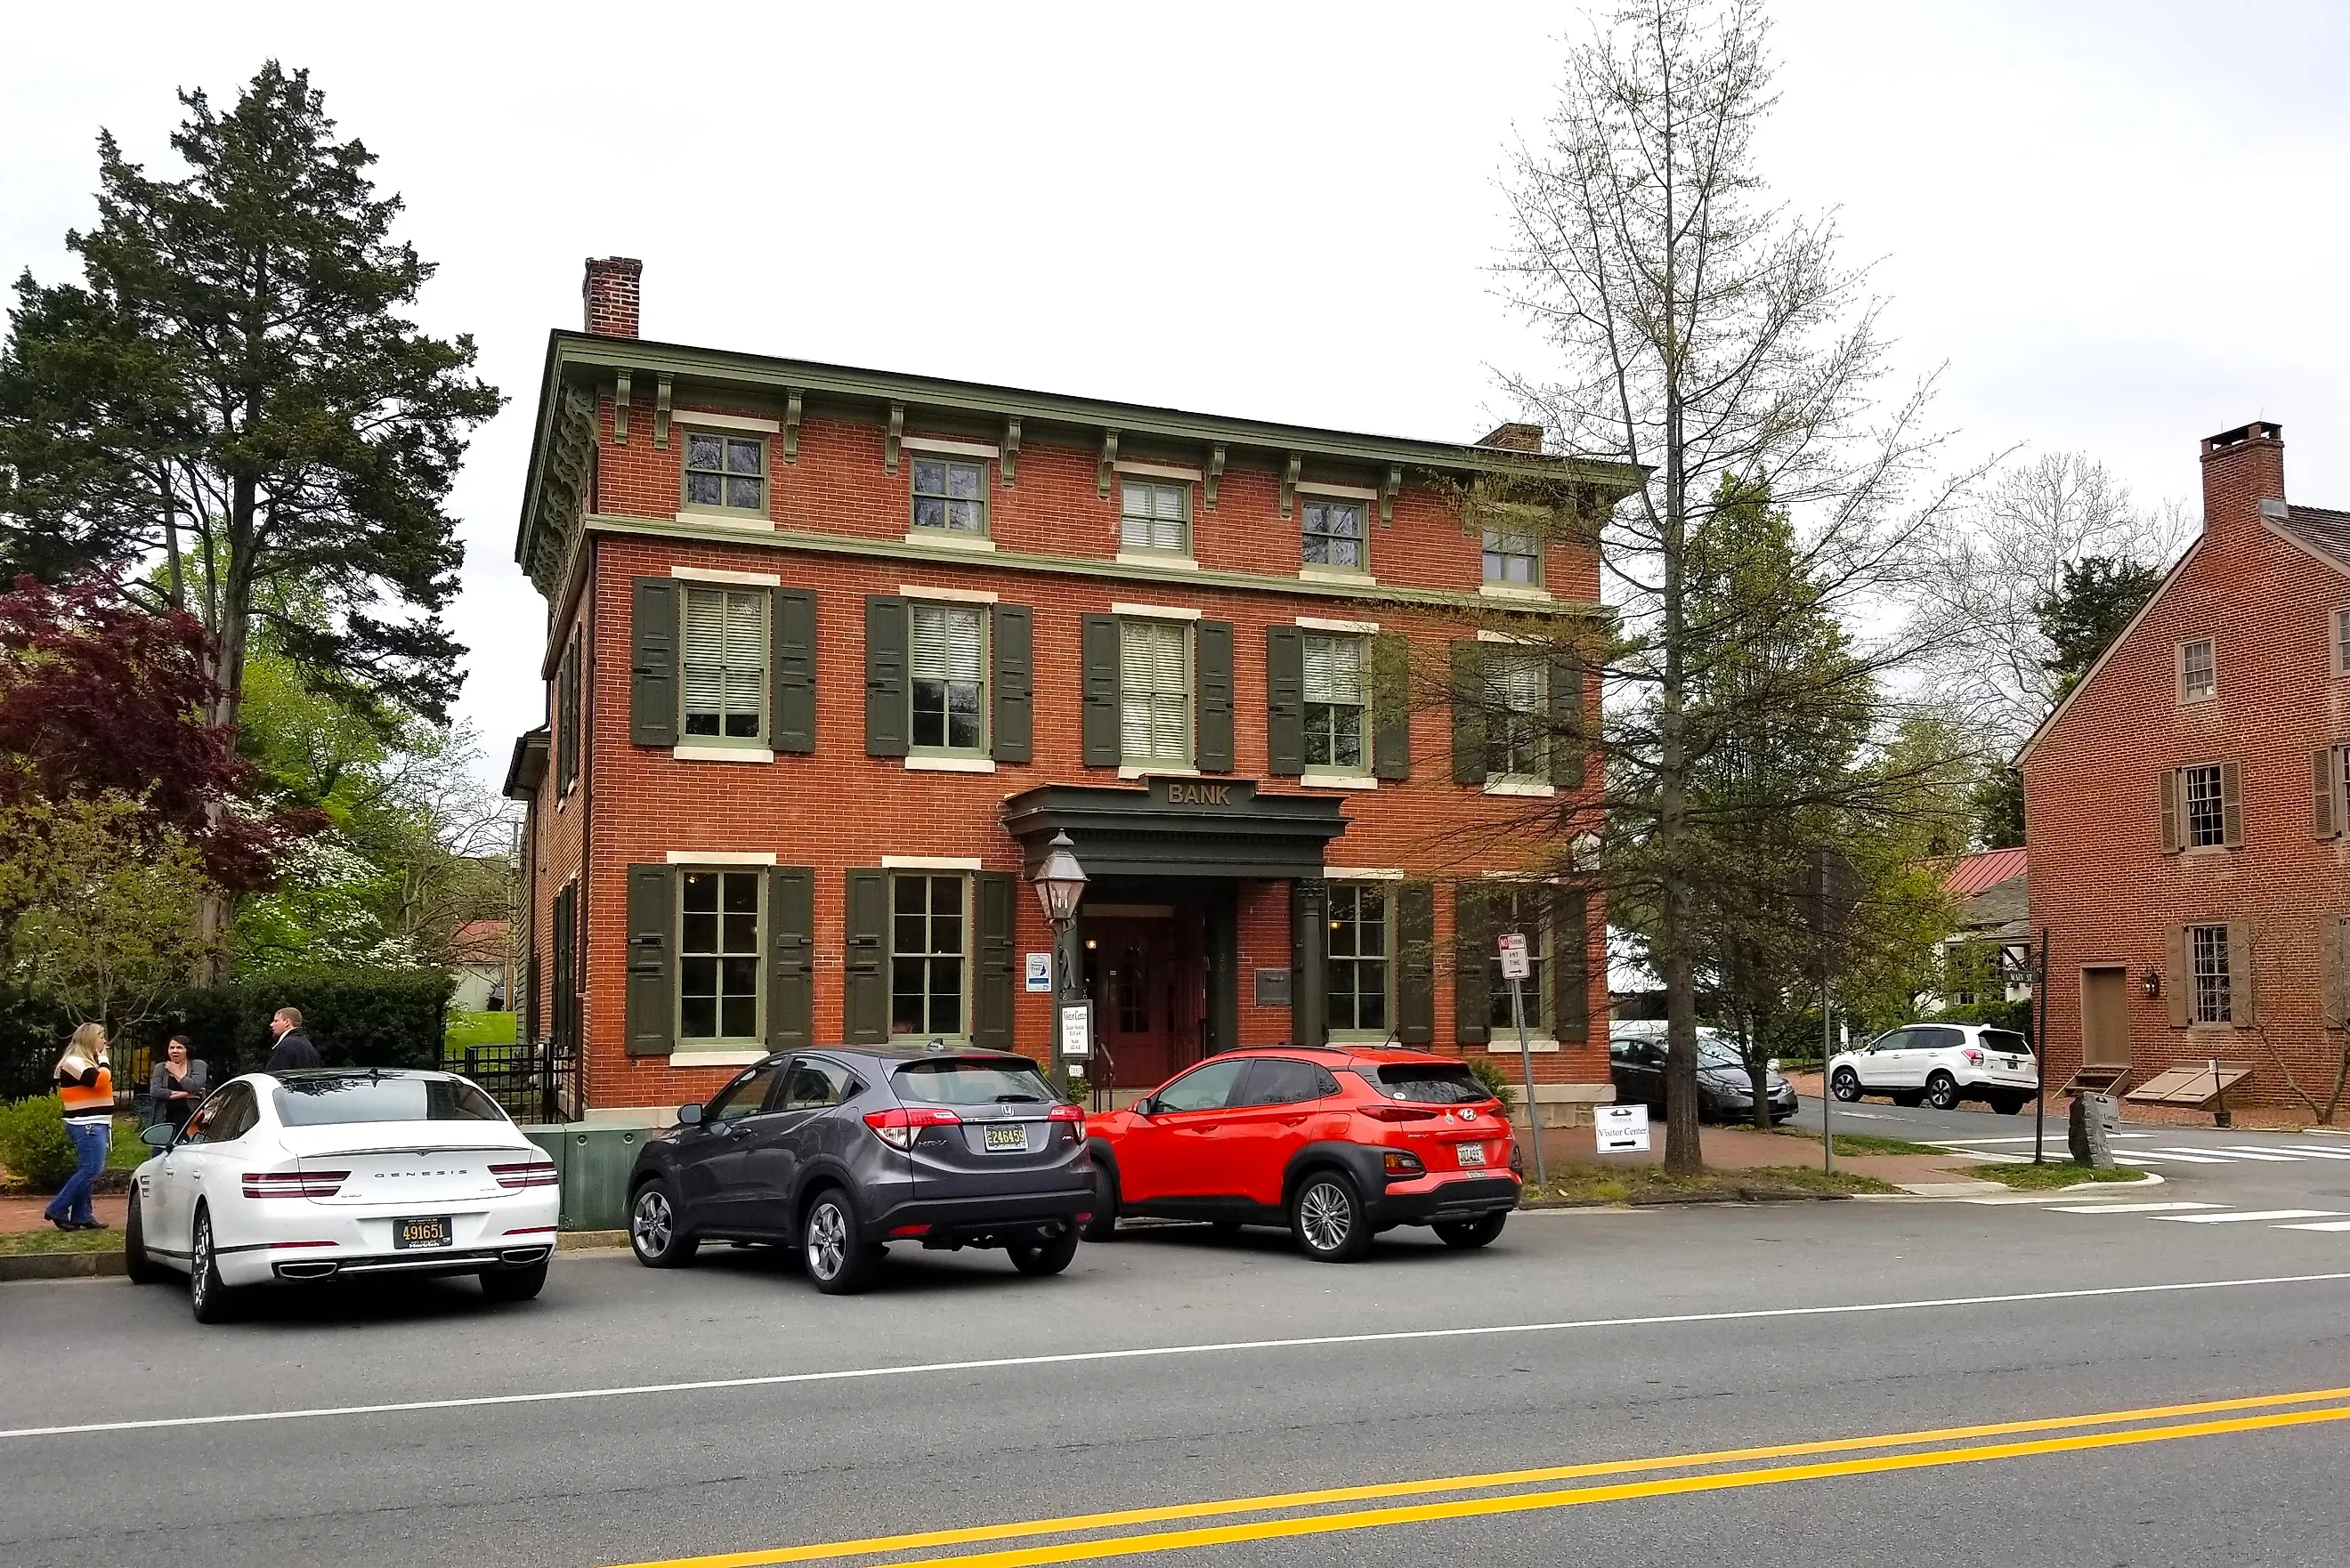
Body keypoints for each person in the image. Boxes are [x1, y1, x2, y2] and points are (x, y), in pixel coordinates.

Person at [44, 1022, 114, 1232]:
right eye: (101, 1037)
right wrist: (103, 1059)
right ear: (90, 1039)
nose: (104, 1041)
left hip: (95, 1122)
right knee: (91, 1169)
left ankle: (82, 1215)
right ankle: (57, 1209)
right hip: (86, 1124)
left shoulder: (86, 1062)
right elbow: (100, 1082)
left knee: (89, 1169)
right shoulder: (73, 1062)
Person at [149, 1034, 208, 1135]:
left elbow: (194, 1086)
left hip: (192, 1118)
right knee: (160, 1150)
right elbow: (155, 1091)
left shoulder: (198, 1065)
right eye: (172, 1047)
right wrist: (185, 1094)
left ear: (187, 1050)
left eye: (179, 1047)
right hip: (166, 1118)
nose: (175, 1051)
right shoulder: (161, 1067)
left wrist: (176, 1072)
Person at [265, 1006, 321, 1071]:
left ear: (287, 1022)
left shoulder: (285, 1046)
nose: (271, 1024)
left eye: (276, 1021)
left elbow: (274, 1077)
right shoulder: (309, 1045)